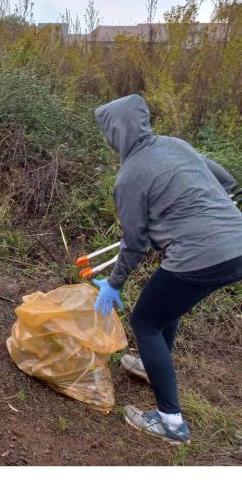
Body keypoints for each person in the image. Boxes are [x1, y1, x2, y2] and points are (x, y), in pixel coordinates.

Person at [92, 94, 242, 445]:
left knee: (144, 320)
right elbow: (228, 181)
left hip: (201, 254)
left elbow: (134, 244)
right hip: (238, 242)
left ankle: (171, 423)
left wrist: (114, 285)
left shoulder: (129, 176)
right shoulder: (176, 145)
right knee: (164, 305)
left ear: (115, 132)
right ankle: (150, 365)